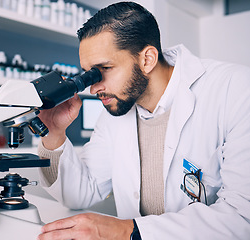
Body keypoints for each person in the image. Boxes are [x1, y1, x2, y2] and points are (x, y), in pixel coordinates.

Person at [36, 2, 250, 240]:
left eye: (104, 69)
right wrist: (54, 133)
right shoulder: (118, 110)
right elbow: (81, 194)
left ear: (147, 59)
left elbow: (242, 218)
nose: (95, 88)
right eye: (89, 74)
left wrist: (126, 230)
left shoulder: (236, 89)